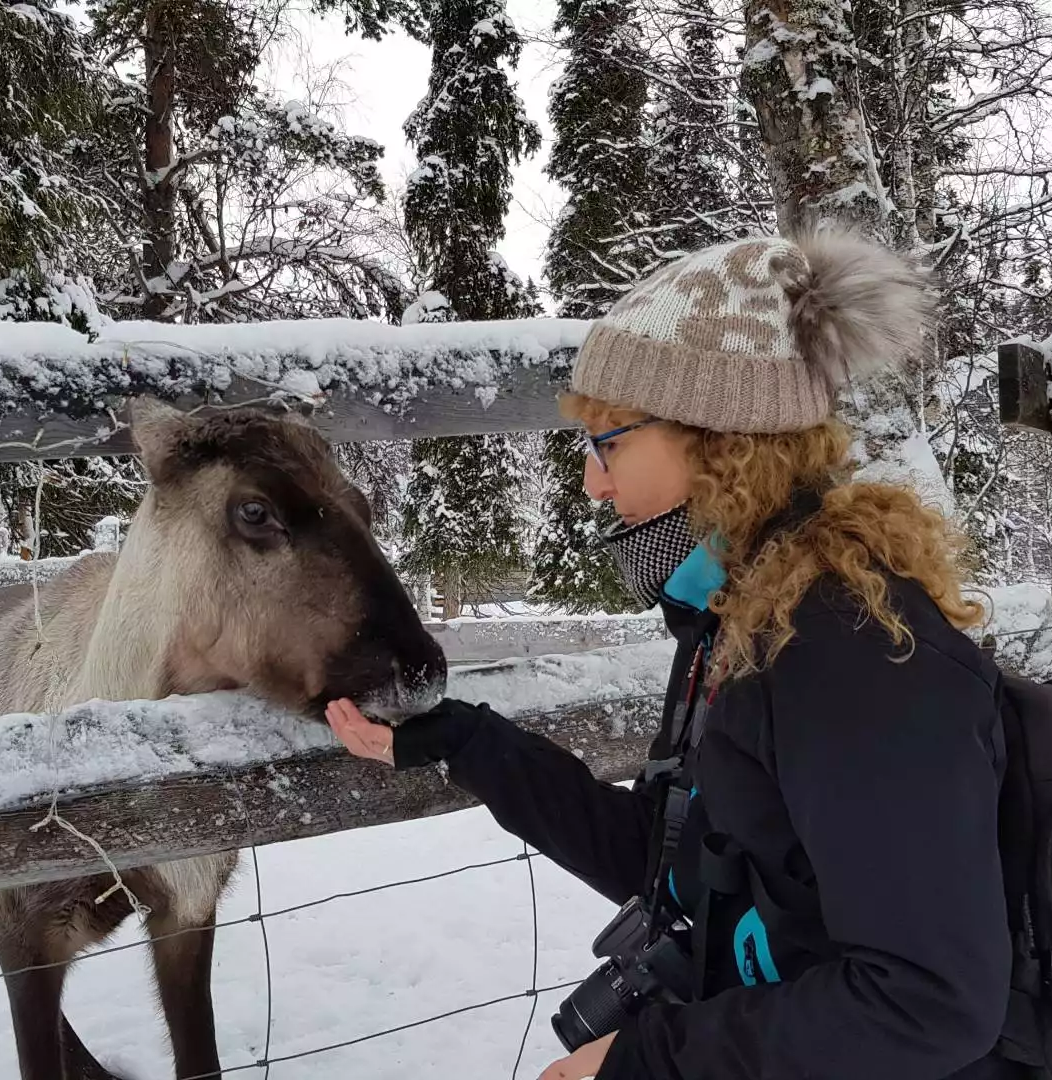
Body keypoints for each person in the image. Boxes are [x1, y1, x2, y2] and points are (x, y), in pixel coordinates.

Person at [327, 228, 1016, 1080]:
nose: (593, 484)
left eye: (609, 442)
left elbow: (932, 1001)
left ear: (720, 439)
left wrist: (649, 1062)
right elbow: (674, 866)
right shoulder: (745, 620)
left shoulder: (854, 650)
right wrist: (467, 743)